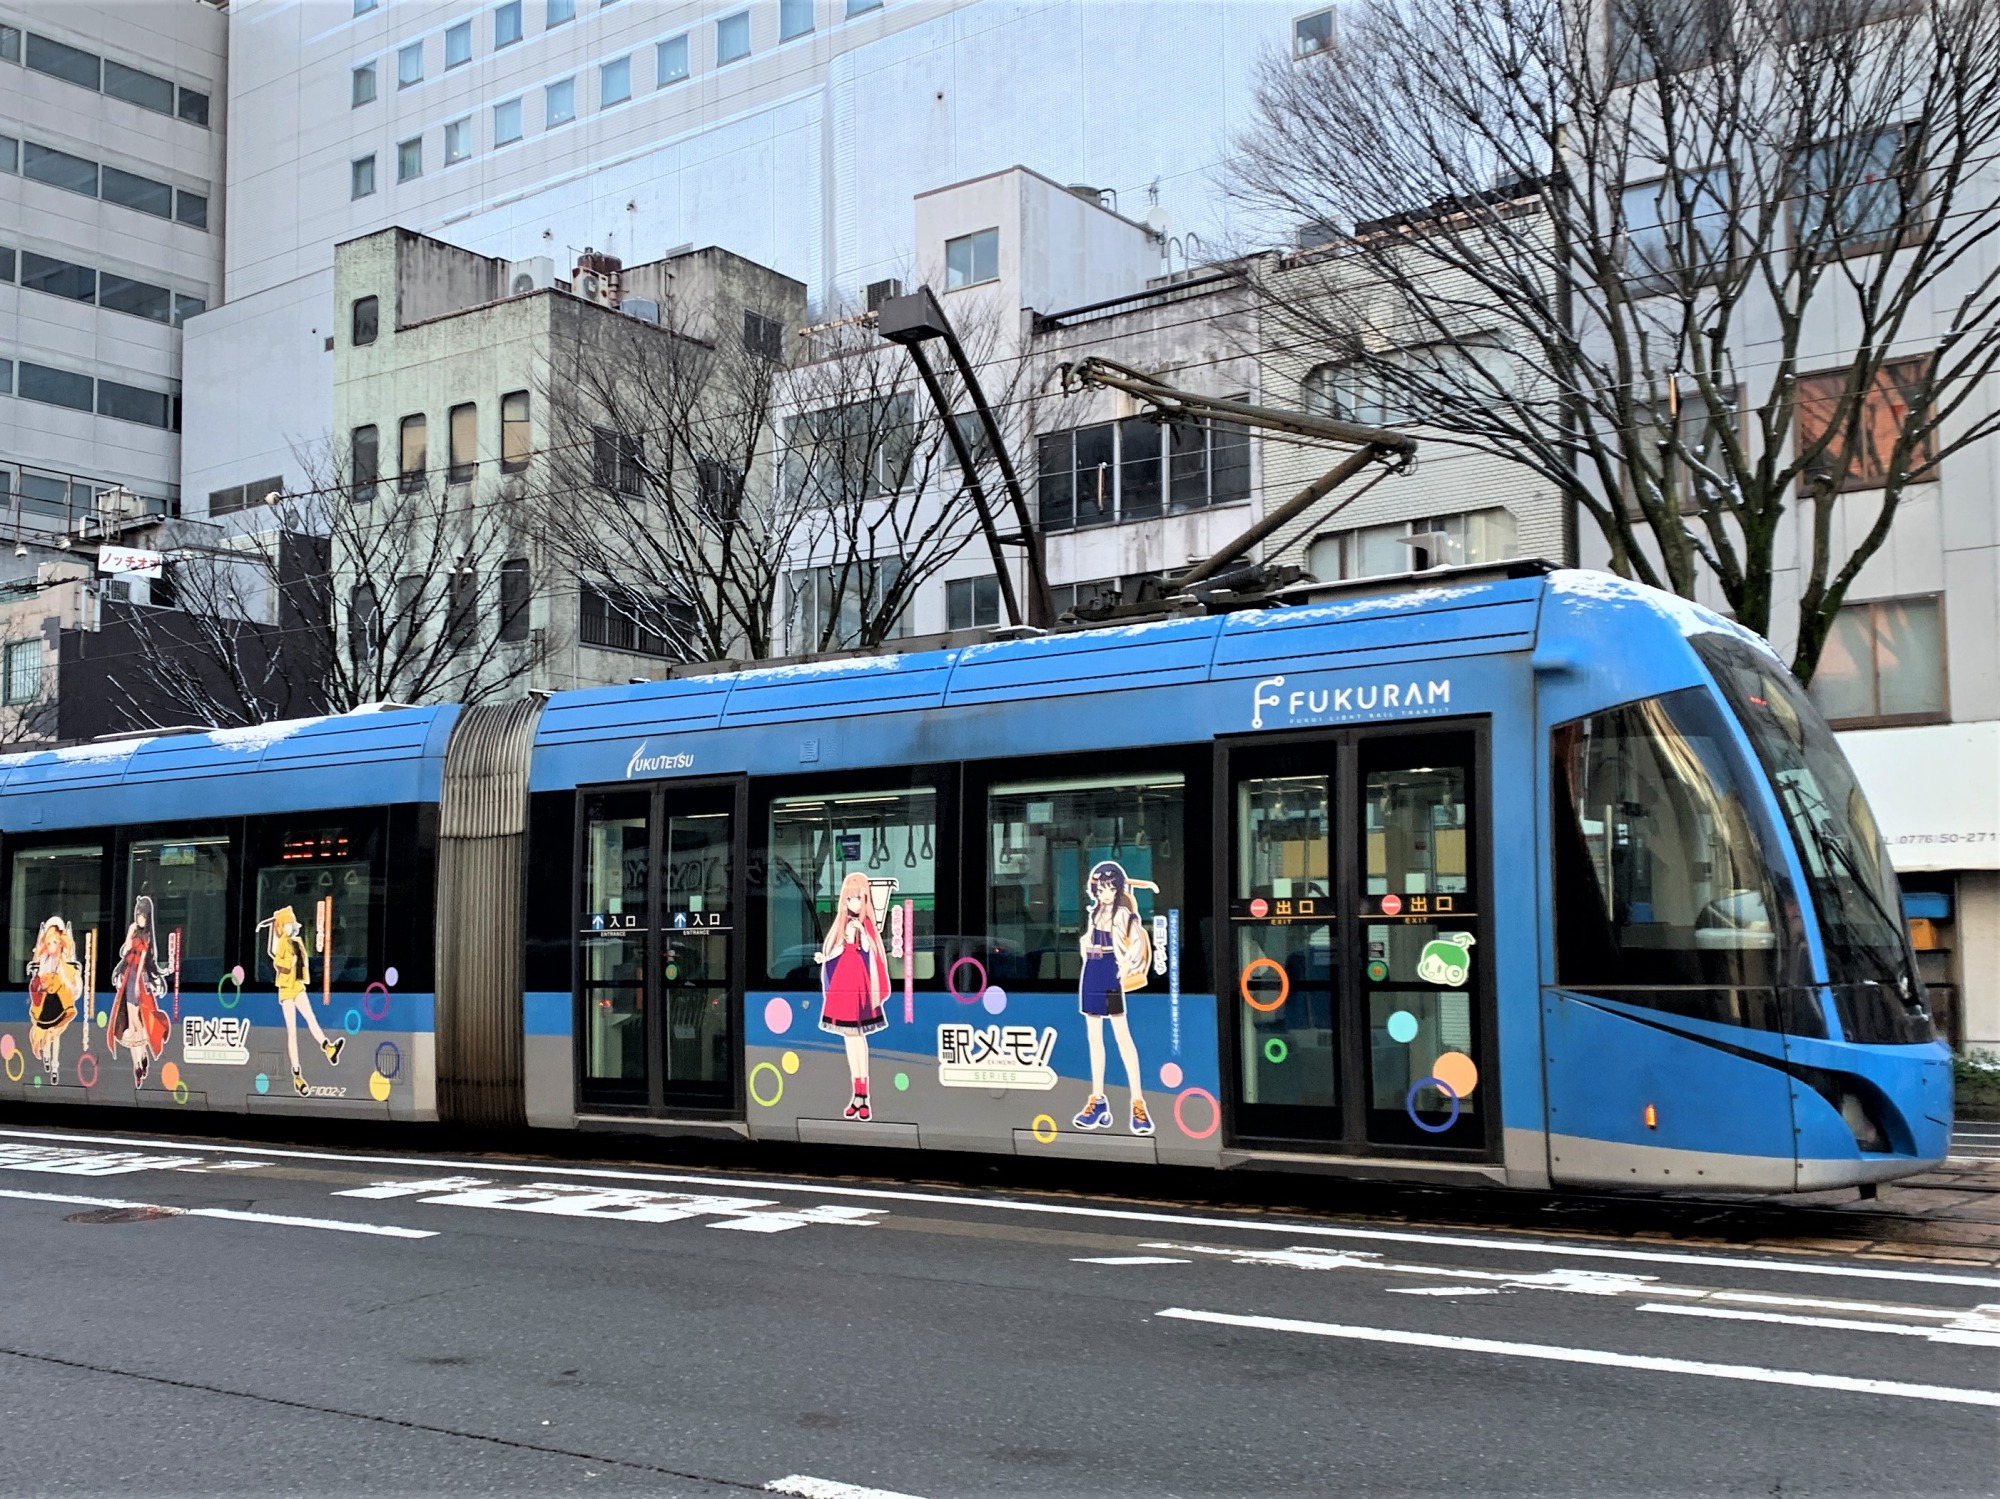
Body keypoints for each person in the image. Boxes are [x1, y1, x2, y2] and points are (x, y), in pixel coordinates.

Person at [1071, 860, 1157, 1137]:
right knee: (1094, 1039)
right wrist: (1087, 947)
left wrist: (1125, 965)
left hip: (1110, 971)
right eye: (1100, 888)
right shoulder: (1095, 912)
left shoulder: (1124, 914)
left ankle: (1137, 1103)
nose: (1104, 893)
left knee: (1122, 1036)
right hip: (1092, 971)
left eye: (1109, 888)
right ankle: (1097, 1100)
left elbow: (1138, 943)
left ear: (1118, 888)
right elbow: (1087, 940)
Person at [815, 871, 889, 1121]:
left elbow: (873, 950)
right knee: (850, 1038)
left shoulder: (866, 925)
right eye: (849, 899)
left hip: (859, 986)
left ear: (865, 899)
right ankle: (857, 1095)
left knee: (858, 1038)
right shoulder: (843, 923)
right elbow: (836, 948)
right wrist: (824, 957)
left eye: (857, 898)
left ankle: (863, 1094)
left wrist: (861, 931)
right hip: (843, 984)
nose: (853, 903)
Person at [262, 905, 342, 1095]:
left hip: (298, 986)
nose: (292, 927)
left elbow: (305, 963)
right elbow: (276, 961)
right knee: (292, 1032)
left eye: (293, 924)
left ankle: (327, 1047)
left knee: (311, 1018)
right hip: (286, 990)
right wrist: (287, 964)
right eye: (289, 924)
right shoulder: (281, 943)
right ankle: (297, 1075)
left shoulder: (297, 942)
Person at [106, 896, 170, 1088]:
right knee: (132, 1024)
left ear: (148, 916)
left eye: (143, 915)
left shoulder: (147, 935)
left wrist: (136, 983)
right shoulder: (134, 929)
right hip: (128, 976)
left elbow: (143, 959)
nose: (140, 917)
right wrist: (129, 935)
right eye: (138, 914)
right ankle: (138, 1064)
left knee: (136, 1022)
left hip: (138, 979)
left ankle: (141, 1058)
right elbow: (124, 951)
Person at [27, 916, 82, 1083]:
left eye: (55, 942)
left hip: (57, 1001)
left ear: (61, 943)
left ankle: (55, 1064)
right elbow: (39, 981)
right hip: (46, 1002)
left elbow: (69, 981)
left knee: (55, 1033)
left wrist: (72, 986)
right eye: (49, 942)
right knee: (44, 1030)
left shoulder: (63, 963)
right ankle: (45, 1054)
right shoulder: (44, 962)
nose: (52, 946)